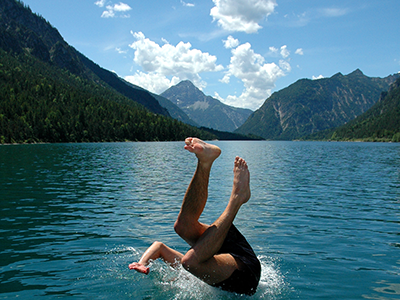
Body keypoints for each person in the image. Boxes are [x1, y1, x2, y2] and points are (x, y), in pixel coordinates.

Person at [129, 137, 261, 295]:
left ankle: (237, 198)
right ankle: (205, 162)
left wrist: (141, 262)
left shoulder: (192, 268)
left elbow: (159, 247)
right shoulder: (197, 271)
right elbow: (159, 247)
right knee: (184, 231)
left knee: (189, 258)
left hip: (246, 273)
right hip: (226, 253)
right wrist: (142, 264)